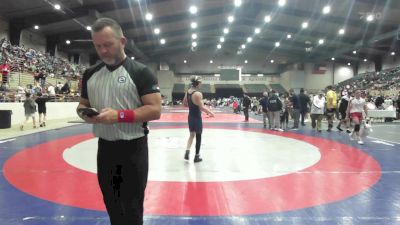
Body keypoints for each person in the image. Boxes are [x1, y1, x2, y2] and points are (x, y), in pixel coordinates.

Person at [76, 18, 161, 225]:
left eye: (108, 44)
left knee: (131, 207)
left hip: (133, 149)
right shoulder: (90, 74)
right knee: (112, 204)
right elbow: (82, 105)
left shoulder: (140, 72)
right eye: (98, 46)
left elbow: (155, 110)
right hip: (105, 149)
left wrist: (119, 116)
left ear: (122, 41)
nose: (103, 51)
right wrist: (84, 113)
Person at [183, 75, 214, 162]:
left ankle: (187, 151)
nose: (201, 84)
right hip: (197, 117)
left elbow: (185, 104)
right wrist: (211, 113)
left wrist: (192, 104)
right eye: (200, 82)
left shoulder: (188, 92)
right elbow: (202, 108)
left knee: (191, 135)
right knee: (198, 137)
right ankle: (197, 156)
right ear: (197, 84)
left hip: (190, 117)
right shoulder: (198, 94)